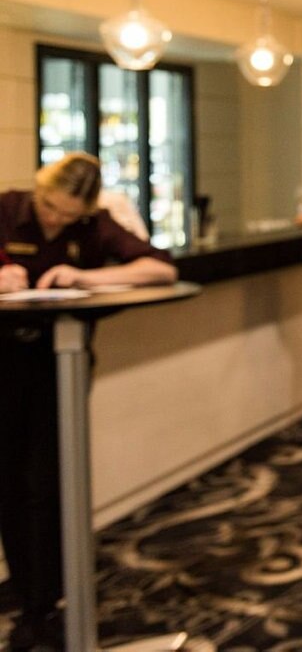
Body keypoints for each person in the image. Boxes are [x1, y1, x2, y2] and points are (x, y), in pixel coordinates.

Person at [0, 153, 177, 651]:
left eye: (68, 215)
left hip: (59, 365)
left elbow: (159, 267)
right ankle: (30, 601)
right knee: (11, 482)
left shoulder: (95, 226)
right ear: (39, 190)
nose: (56, 220)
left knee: (49, 481)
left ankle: (56, 600)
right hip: (6, 365)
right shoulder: (8, 209)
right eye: (50, 208)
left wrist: (84, 277)